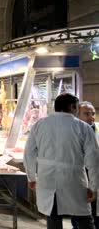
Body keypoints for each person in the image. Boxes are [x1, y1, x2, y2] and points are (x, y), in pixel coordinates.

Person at [24, 93, 99, 229]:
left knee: (53, 215)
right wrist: (93, 187)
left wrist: (31, 177)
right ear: (72, 107)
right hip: (73, 179)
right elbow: (93, 160)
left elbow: (29, 153)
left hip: (47, 177)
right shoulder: (83, 128)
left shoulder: (39, 125)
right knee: (84, 217)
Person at [72, 101, 98, 229]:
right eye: (86, 114)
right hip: (80, 178)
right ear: (77, 115)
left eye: (93, 113)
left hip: (95, 176)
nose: (91, 117)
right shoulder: (72, 132)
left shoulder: (96, 129)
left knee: (94, 214)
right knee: (80, 215)